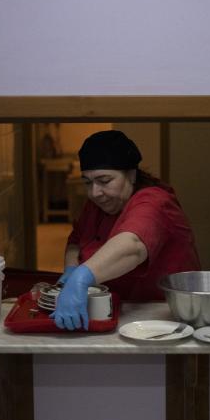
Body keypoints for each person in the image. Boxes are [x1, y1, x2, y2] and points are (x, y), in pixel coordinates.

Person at [51, 130, 201, 330]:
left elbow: (133, 245)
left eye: (104, 181)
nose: (95, 192)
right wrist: (70, 269)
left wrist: (81, 277)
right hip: (116, 314)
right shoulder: (98, 204)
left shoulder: (155, 202)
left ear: (131, 175)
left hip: (165, 318)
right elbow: (76, 240)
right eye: (87, 182)